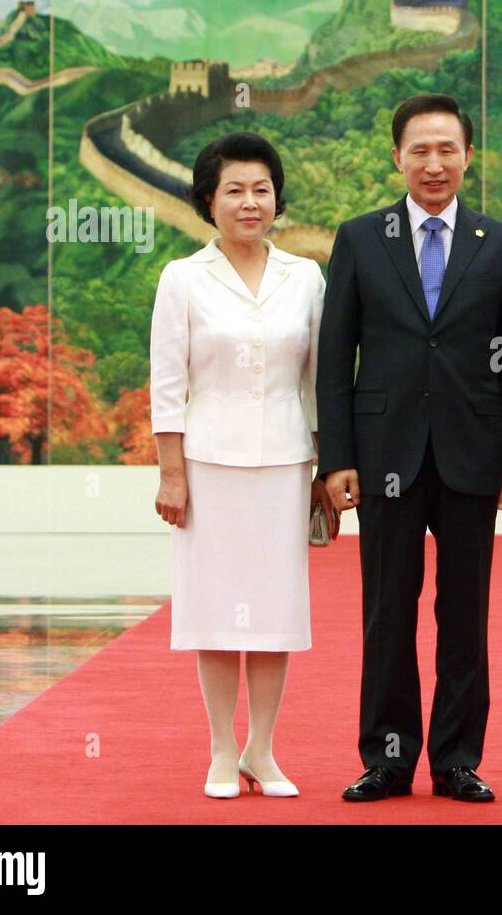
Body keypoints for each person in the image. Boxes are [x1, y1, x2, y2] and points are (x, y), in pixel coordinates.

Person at [314, 93, 502, 803]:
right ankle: (386, 759)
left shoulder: (499, 245)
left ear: (468, 156)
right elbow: (335, 356)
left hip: (474, 454)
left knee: (464, 614)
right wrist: (337, 458)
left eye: (448, 150)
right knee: (388, 612)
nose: (434, 164)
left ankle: (456, 760)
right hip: (384, 453)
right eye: (420, 150)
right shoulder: (359, 238)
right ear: (397, 158)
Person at [150, 131, 330, 799]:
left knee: (276, 611)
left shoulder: (304, 277)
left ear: (277, 199)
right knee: (218, 611)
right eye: (235, 191)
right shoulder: (183, 278)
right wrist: (172, 474)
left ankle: (263, 748)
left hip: (286, 461)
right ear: (208, 200)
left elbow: (318, 382)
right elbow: (167, 383)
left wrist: (324, 465)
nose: (250, 203)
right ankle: (222, 750)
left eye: (261, 190)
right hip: (209, 463)